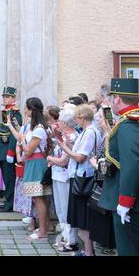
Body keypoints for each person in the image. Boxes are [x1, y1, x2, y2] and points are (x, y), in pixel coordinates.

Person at [99, 78, 139, 256]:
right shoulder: (128, 122)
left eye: (112, 97)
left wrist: (125, 201)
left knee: (128, 249)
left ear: (116, 99)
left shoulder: (127, 125)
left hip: (129, 201)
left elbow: (131, 165)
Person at [58, 104, 102, 256]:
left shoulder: (89, 132)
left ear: (82, 118)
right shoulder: (87, 131)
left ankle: (89, 252)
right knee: (81, 218)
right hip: (81, 176)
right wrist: (69, 145)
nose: (75, 121)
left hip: (83, 179)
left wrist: (64, 148)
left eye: (77, 117)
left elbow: (80, 157)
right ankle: (88, 251)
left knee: (82, 218)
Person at [7, 97, 52, 240]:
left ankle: (43, 231)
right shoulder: (36, 127)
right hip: (34, 163)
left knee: (39, 198)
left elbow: (28, 151)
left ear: (32, 110)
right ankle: (44, 228)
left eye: (26, 108)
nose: (25, 110)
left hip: (36, 164)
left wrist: (21, 142)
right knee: (39, 198)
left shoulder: (39, 129)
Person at [46, 104, 79, 252]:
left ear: (64, 123)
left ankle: (71, 240)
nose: (57, 123)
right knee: (60, 209)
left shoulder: (72, 137)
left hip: (65, 176)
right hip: (58, 175)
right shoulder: (64, 136)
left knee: (66, 209)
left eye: (59, 120)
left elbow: (64, 160)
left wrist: (50, 159)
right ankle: (65, 237)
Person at [88, 109, 116, 254]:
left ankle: (110, 246)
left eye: (99, 117)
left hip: (106, 183)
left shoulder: (110, 137)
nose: (97, 120)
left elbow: (113, 167)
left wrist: (95, 165)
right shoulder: (105, 136)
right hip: (100, 182)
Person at [0, 86, 22, 213]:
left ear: (13, 98)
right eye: (3, 96)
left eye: (7, 97)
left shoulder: (15, 114)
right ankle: (8, 201)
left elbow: (15, 134)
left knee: (10, 179)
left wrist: (11, 152)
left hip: (8, 151)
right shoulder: (4, 111)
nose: (4, 98)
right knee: (6, 178)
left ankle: (10, 204)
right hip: (2, 149)